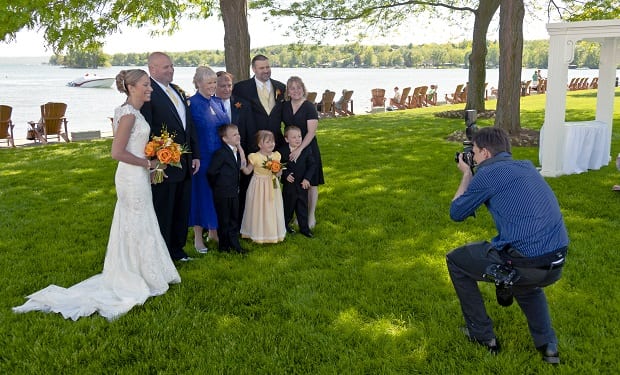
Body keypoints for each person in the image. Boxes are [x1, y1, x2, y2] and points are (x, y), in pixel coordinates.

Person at [13, 70, 181, 321]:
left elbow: (132, 149)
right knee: (135, 221)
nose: (150, 89)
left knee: (140, 221)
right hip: (130, 175)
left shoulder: (134, 113)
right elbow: (117, 152)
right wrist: (148, 164)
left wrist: (152, 161)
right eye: (146, 85)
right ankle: (135, 275)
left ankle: (146, 270)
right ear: (131, 87)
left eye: (149, 85)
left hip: (136, 175)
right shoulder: (127, 115)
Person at [447, 127, 569, 364]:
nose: (471, 155)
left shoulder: (487, 174)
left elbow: (456, 212)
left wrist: (466, 174)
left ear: (485, 153)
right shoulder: (526, 166)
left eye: (473, 151)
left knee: (456, 260)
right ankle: (548, 347)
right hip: (555, 261)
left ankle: (482, 336)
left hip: (526, 262)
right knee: (527, 284)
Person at [141, 52, 201, 262]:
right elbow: (146, 128)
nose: (171, 69)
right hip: (163, 163)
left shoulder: (177, 91)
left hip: (184, 160)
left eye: (172, 66)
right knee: (164, 208)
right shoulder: (148, 92)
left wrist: (194, 154)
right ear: (153, 69)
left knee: (181, 206)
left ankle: (177, 250)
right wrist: (155, 160)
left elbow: (188, 125)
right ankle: (162, 252)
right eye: (166, 67)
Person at [188, 66, 229, 253]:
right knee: (201, 196)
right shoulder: (191, 104)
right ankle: (198, 237)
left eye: (214, 82)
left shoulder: (218, 102)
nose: (213, 86)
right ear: (198, 83)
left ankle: (214, 231)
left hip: (220, 157)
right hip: (202, 158)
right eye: (209, 83)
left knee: (217, 195)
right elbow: (189, 134)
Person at [281, 76, 325, 229]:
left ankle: (310, 215)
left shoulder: (309, 107)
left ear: (303, 88)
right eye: (292, 88)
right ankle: (296, 215)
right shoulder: (284, 106)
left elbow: (311, 132)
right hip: (290, 149)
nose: (296, 91)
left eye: (298, 87)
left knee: (311, 182)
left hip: (308, 147)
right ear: (288, 91)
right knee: (294, 183)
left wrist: (299, 150)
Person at [215, 71, 256, 218]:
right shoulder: (210, 104)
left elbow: (250, 131)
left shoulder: (242, 104)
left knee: (240, 188)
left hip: (240, 153)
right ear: (214, 86)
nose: (227, 89)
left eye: (229, 85)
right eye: (222, 86)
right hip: (217, 154)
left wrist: (248, 153)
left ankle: (239, 222)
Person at [239, 130, 286, 243]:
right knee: (258, 209)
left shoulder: (276, 156)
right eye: (268, 142)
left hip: (272, 185)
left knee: (272, 208)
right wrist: (242, 165)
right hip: (258, 186)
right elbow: (247, 171)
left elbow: (279, 173)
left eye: (273, 141)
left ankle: (272, 233)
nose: (271, 144)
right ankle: (257, 233)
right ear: (260, 144)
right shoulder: (255, 157)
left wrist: (277, 171)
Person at [207, 124, 248, 254]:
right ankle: (224, 247)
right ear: (225, 139)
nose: (238, 136)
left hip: (234, 192)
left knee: (233, 219)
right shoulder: (221, 153)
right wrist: (218, 187)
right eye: (234, 135)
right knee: (224, 220)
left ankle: (234, 245)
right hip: (222, 192)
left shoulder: (235, 151)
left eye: (238, 133)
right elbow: (211, 172)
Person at [232, 54, 287, 148]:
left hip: (276, 142)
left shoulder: (281, 87)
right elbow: (237, 117)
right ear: (254, 69)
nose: (266, 71)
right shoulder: (241, 88)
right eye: (261, 68)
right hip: (253, 142)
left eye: (267, 67)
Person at [278, 125, 316, 238]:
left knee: (302, 207)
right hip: (289, 186)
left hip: (302, 184)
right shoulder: (282, 151)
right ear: (286, 139)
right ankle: (284, 226)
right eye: (294, 137)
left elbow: (312, 165)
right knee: (287, 208)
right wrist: (285, 175)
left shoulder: (306, 149)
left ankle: (305, 229)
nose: (298, 139)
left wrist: (307, 178)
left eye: (299, 136)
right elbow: (278, 166)